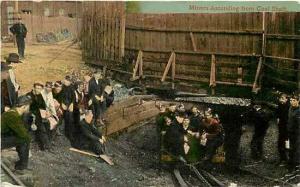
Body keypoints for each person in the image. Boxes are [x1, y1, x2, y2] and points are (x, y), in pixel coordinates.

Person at [1, 95, 32, 170]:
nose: (29, 108)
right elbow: (24, 134)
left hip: (3, 137)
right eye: (28, 106)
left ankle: (21, 164)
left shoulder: (14, 112)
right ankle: (22, 167)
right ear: (23, 106)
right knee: (25, 140)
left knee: (23, 138)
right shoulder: (13, 115)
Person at [28, 82, 51, 151]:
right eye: (37, 88)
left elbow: (43, 106)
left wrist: (46, 112)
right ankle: (46, 146)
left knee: (47, 124)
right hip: (30, 115)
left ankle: (47, 145)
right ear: (33, 88)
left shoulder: (39, 95)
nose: (38, 90)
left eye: (40, 89)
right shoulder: (29, 96)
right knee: (41, 128)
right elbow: (26, 108)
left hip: (38, 114)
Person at [276, 93, 290, 166]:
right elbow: (278, 113)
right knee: (280, 144)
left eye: (283, 98)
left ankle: (287, 161)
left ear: (286, 99)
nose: (281, 99)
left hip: (287, 129)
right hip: (281, 128)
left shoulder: (288, 107)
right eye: (280, 98)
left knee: (286, 145)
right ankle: (282, 159)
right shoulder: (280, 105)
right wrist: (278, 118)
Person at [287, 94, 300, 172]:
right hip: (290, 132)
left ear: (298, 101)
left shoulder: (299, 111)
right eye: (291, 100)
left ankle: (295, 166)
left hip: (297, 134)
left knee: (296, 149)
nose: (292, 102)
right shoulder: (290, 108)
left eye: (294, 100)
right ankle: (291, 164)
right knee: (291, 148)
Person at [61, 76, 75, 141]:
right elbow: (59, 97)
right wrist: (62, 103)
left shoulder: (71, 87)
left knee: (70, 115)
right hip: (62, 103)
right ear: (64, 80)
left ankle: (69, 133)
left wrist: (72, 104)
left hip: (69, 104)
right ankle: (68, 133)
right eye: (66, 80)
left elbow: (73, 97)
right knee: (68, 114)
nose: (67, 82)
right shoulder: (61, 87)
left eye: (69, 81)